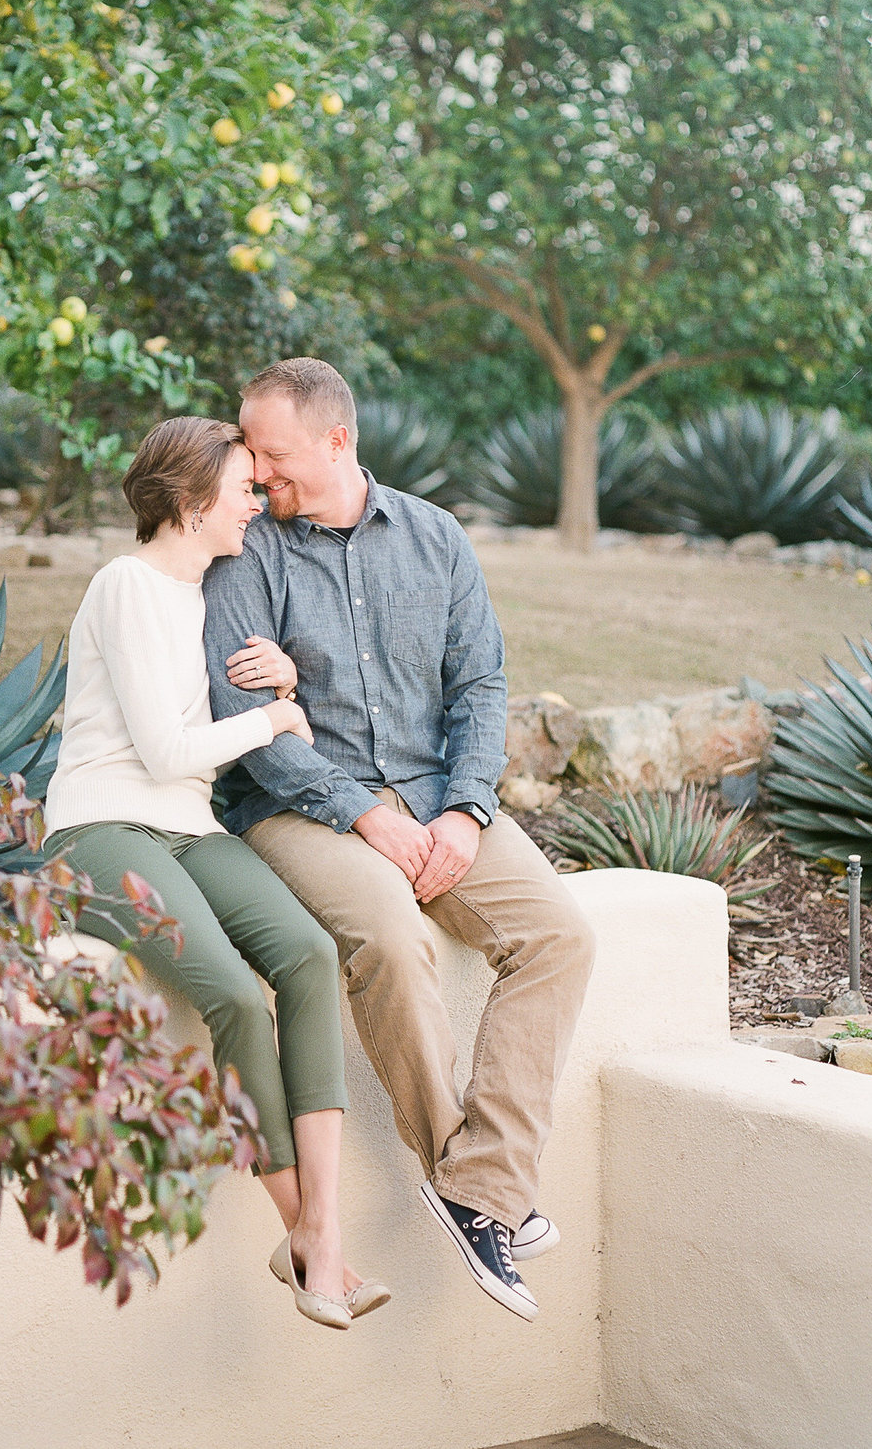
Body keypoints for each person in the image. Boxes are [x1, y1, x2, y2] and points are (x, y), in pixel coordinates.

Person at [203, 359, 596, 1322]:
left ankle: (480, 1188)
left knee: (560, 934)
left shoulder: (436, 536)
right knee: (389, 932)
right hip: (297, 803)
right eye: (249, 449)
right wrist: (365, 814)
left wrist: (465, 810)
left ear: (339, 440)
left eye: (274, 452)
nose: (256, 469)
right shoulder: (250, 548)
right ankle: (475, 1183)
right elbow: (242, 707)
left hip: (434, 791)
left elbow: (481, 687)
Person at [41, 414, 388, 1330]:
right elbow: (161, 751)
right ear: (193, 504)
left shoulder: (216, 593)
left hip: (190, 827)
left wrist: (281, 684)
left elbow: (236, 721)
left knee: (310, 955)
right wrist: (275, 720)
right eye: (242, 488)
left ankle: (319, 1224)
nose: (257, 501)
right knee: (235, 993)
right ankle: (314, 1242)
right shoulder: (127, 584)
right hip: (102, 824)